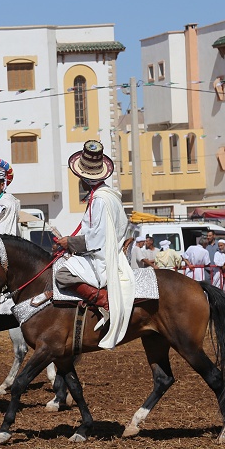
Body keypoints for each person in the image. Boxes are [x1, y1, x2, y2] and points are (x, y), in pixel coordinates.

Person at [54, 140, 134, 350]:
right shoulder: (107, 196)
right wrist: (68, 243)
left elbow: (96, 240)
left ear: (85, 178)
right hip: (105, 252)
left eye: (80, 176)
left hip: (102, 257)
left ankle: (103, 300)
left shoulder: (100, 199)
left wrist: (69, 242)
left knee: (62, 274)